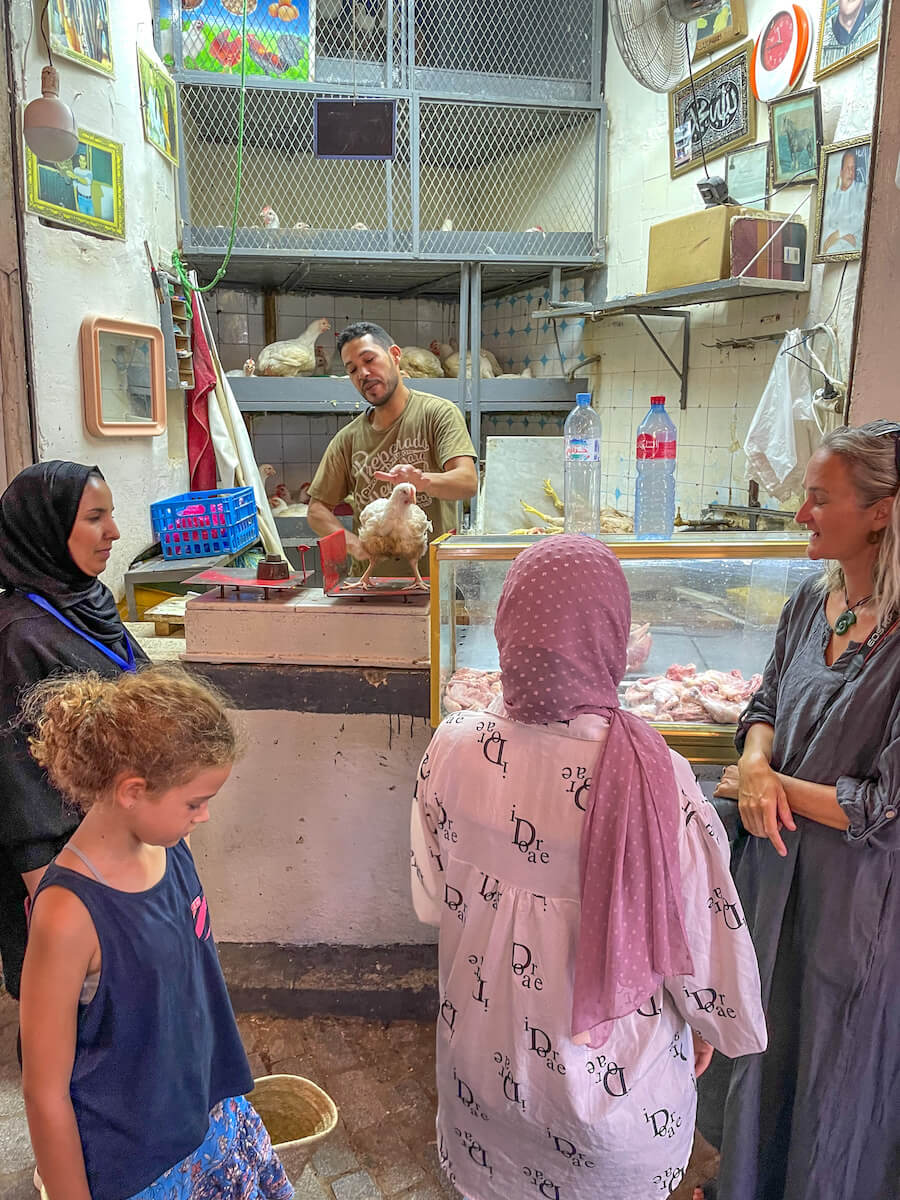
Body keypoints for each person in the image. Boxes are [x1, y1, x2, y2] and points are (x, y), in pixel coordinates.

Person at [411, 536, 767, 1200]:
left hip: (482, 1079)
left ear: (509, 628)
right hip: (613, 1107)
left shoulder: (453, 746)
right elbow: (701, 938)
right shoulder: (658, 775)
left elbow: (433, 896)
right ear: (612, 634)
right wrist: (710, 1022)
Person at [19, 665, 293, 1200]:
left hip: (211, 1112)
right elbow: (44, 1091)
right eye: (195, 802)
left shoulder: (172, 849)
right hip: (140, 1161)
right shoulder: (68, 913)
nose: (205, 816)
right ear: (132, 791)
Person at [713, 420, 900, 1200]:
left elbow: (885, 805)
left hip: (851, 903)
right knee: (762, 1040)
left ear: (882, 512)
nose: (801, 515)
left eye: (820, 500)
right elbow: (763, 701)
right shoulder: (808, 603)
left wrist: (770, 789)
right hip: (774, 874)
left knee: (830, 1057)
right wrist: (756, 763)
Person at [0, 462, 148, 1001]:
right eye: (95, 518)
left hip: (124, 837)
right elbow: (17, 781)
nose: (113, 532)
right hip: (71, 865)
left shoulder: (87, 602)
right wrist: (51, 897)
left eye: (111, 514)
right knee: (75, 1010)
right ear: (45, 528)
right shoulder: (20, 638)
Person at [307, 321, 478, 577]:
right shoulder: (348, 438)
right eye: (352, 369)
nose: (363, 373)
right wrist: (354, 545)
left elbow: (467, 482)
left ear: (395, 355)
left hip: (433, 582)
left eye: (369, 360)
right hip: (371, 585)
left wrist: (422, 481)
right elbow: (316, 510)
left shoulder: (438, 414)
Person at [820, 148, 867, 256]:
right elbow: (825, 226)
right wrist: (841, 235)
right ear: (841, 172)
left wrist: (838, 233)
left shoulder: (863, 190)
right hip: (834, 247)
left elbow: (862, 218)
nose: (850, 172)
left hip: (855, 248)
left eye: (853, 168)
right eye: (847, 168)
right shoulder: (832, 199)